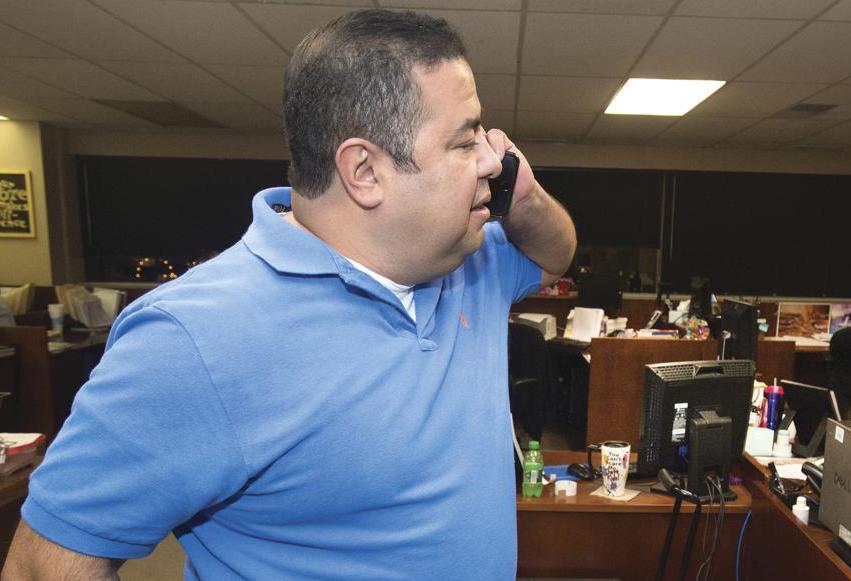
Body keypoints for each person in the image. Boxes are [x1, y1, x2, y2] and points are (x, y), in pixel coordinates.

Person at [2, 9, 576, 581]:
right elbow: (41, 564)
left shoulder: (467, 257)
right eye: (463, 141)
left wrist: (522, 198)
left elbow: (556, 255)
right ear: (365, 171)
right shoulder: (195, 337)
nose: (491, 159)